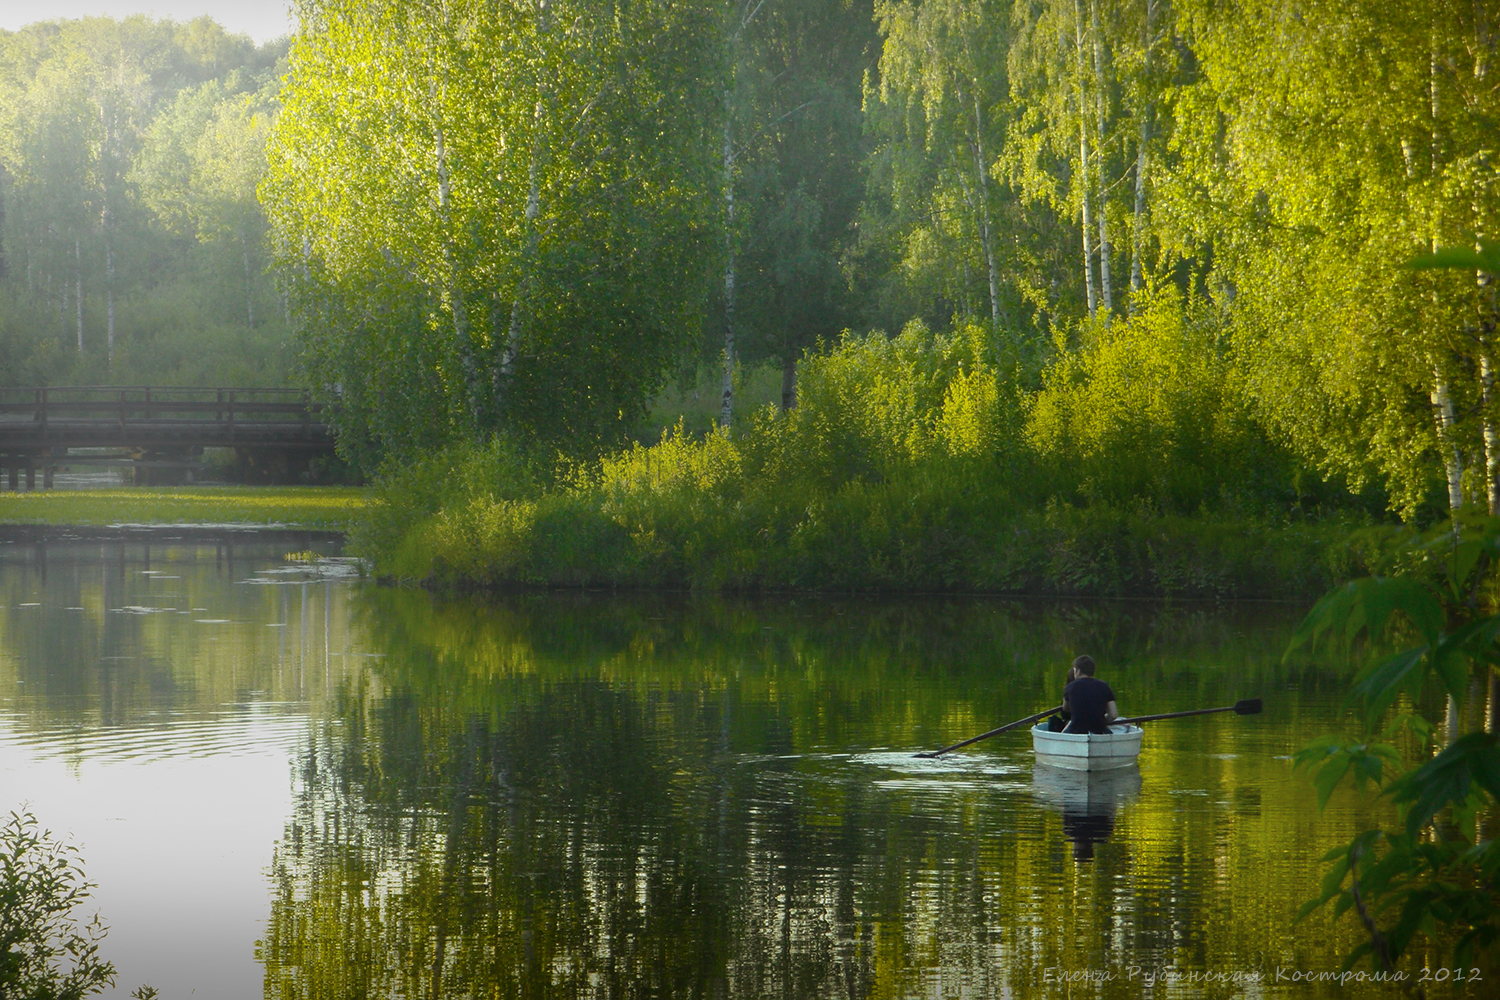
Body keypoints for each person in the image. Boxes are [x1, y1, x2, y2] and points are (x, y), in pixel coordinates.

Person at [1062, 655, 1118, 735]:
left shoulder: (1070, 687)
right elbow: (1113, 715)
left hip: (1076, 730)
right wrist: (1103, 721)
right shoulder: (1104, 686)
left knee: (1062, 732)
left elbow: (1066, 708)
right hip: (1099, 730)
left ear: (1078, 671)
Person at [1046, 665, 1076, 732]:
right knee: (1053, 719)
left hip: (1073, 723)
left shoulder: (1068, 690)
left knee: (1053, 720)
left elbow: (1065, 712)